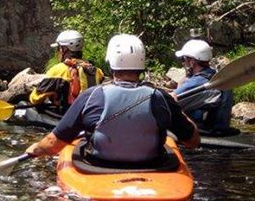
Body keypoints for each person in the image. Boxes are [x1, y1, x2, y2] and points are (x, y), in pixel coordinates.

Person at [26, 34, 199, 163]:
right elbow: (193, 141)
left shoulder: (92, 96)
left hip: (99, 167)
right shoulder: (161, 98)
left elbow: (52, 145)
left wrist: (35, 149)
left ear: (110, 62)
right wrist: (178, 110)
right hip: (151, 167)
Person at [29, 30, 104, 112]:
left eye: (59, 48)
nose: (58, 51)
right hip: (90, 113)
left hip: (67, 116)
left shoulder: (58, 70)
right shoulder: (97, 71)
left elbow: (35, 98)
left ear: (64, 49)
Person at [172, 39, 233, 134]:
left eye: (183, 59)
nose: (182, 63)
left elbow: (167, 101)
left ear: (192, 62)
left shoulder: (198, 82)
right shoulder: (213, 76)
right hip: (218, 130)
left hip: (207, 134)